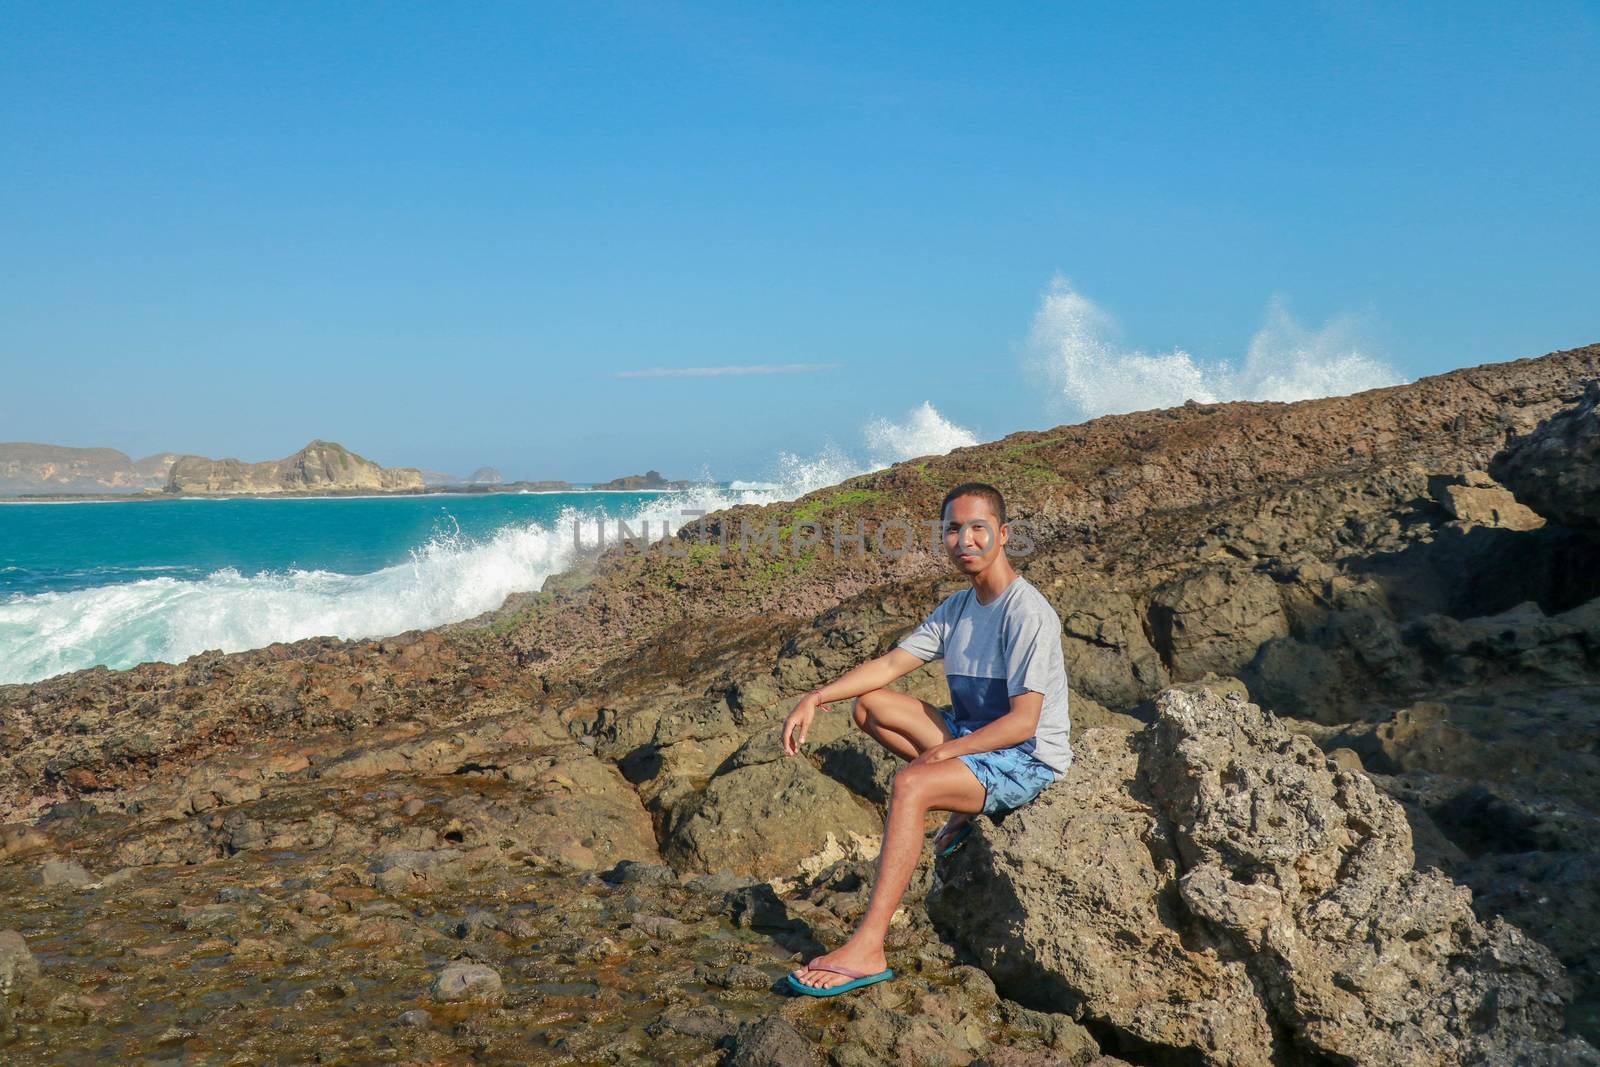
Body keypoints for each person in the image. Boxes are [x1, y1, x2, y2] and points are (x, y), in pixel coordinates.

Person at [780, 481, 1072, 996]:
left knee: (911, 785)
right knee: (870, 705)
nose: (965, 540)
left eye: (978, 527)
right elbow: (892, 664)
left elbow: (1026, 723)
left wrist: (944, 753)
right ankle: (958, 796)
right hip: (976, 740)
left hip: (1024, 760)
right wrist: (816, 697)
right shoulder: (957, 609)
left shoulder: (1027, 613)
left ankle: (869, 946)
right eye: (953, 529)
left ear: (1003, 534)